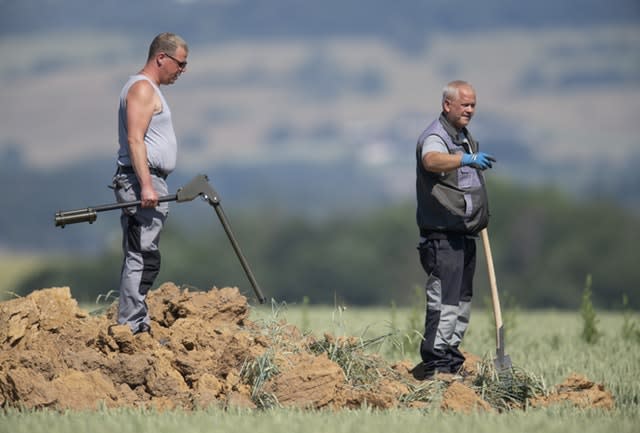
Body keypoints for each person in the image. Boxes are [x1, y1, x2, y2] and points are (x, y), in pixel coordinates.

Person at [414, 80, 495, 377]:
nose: (470, 110)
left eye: (473, 105)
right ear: (448, 105)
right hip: (442, 237)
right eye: (465, 105)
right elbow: (431, 160)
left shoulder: (464, 137)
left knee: (461, 303)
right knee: (444, 302)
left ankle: (451, 359)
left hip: (464, 235)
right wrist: (466, 159)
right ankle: (436, 364)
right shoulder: (436, 137)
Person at [111, 32, 189, 334]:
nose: (182, 70)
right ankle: (131, 327)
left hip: (150, 179)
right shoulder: (142, 89)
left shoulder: (148, 88)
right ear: (161, 58)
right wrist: (146, 185)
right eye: (180, 64)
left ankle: (135, 321)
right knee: (142, 255)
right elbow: (134, 139)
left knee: (145, 254)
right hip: (142, 180)